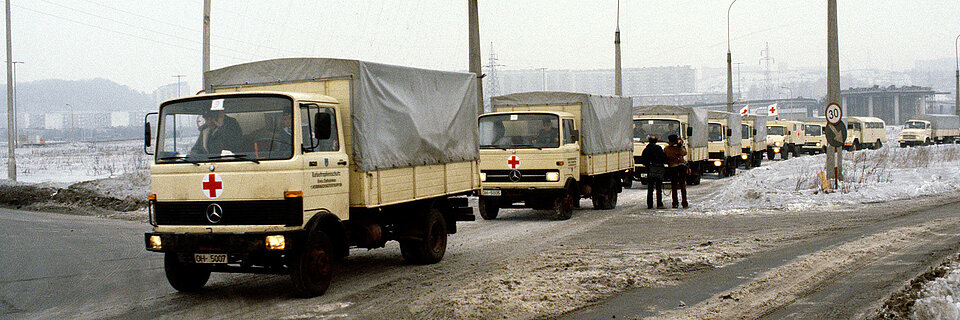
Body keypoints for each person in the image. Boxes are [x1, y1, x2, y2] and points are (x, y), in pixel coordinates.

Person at [639, 135, 668, 209]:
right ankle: (659, 204)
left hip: (650, 170)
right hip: (658, 170)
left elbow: (643, 160)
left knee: (650, 188)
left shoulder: (646, 149)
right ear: (656, 141)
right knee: (658, 188)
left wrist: (648, 165)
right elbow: (664, 158)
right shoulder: (658, 148)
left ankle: (650, 204)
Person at [664, 134, 689, 209]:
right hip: (681, 167)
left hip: (672, 167)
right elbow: (684, 153)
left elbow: (666, 156)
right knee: (682, 185)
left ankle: (675, 203)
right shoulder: (679, 148)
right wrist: (681, 145)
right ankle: (684, 203)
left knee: (674, 186)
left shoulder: (667, 149)